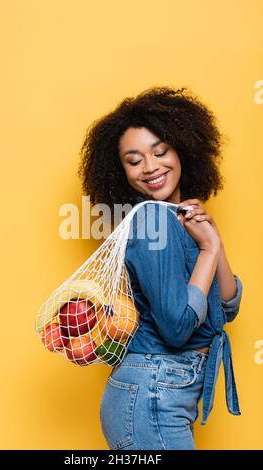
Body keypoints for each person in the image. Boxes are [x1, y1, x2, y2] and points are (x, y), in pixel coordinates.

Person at [78, 86, 243, 450]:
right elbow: (177, 327)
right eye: (134, 161)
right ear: (120, 171)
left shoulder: (179, 218)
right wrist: (207, 249)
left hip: (164, 393)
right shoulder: (151, 221)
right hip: (154, 393)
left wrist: (214, 241)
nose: (151, 168)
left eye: (160, 151)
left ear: (183, 148)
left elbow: (227, 307)